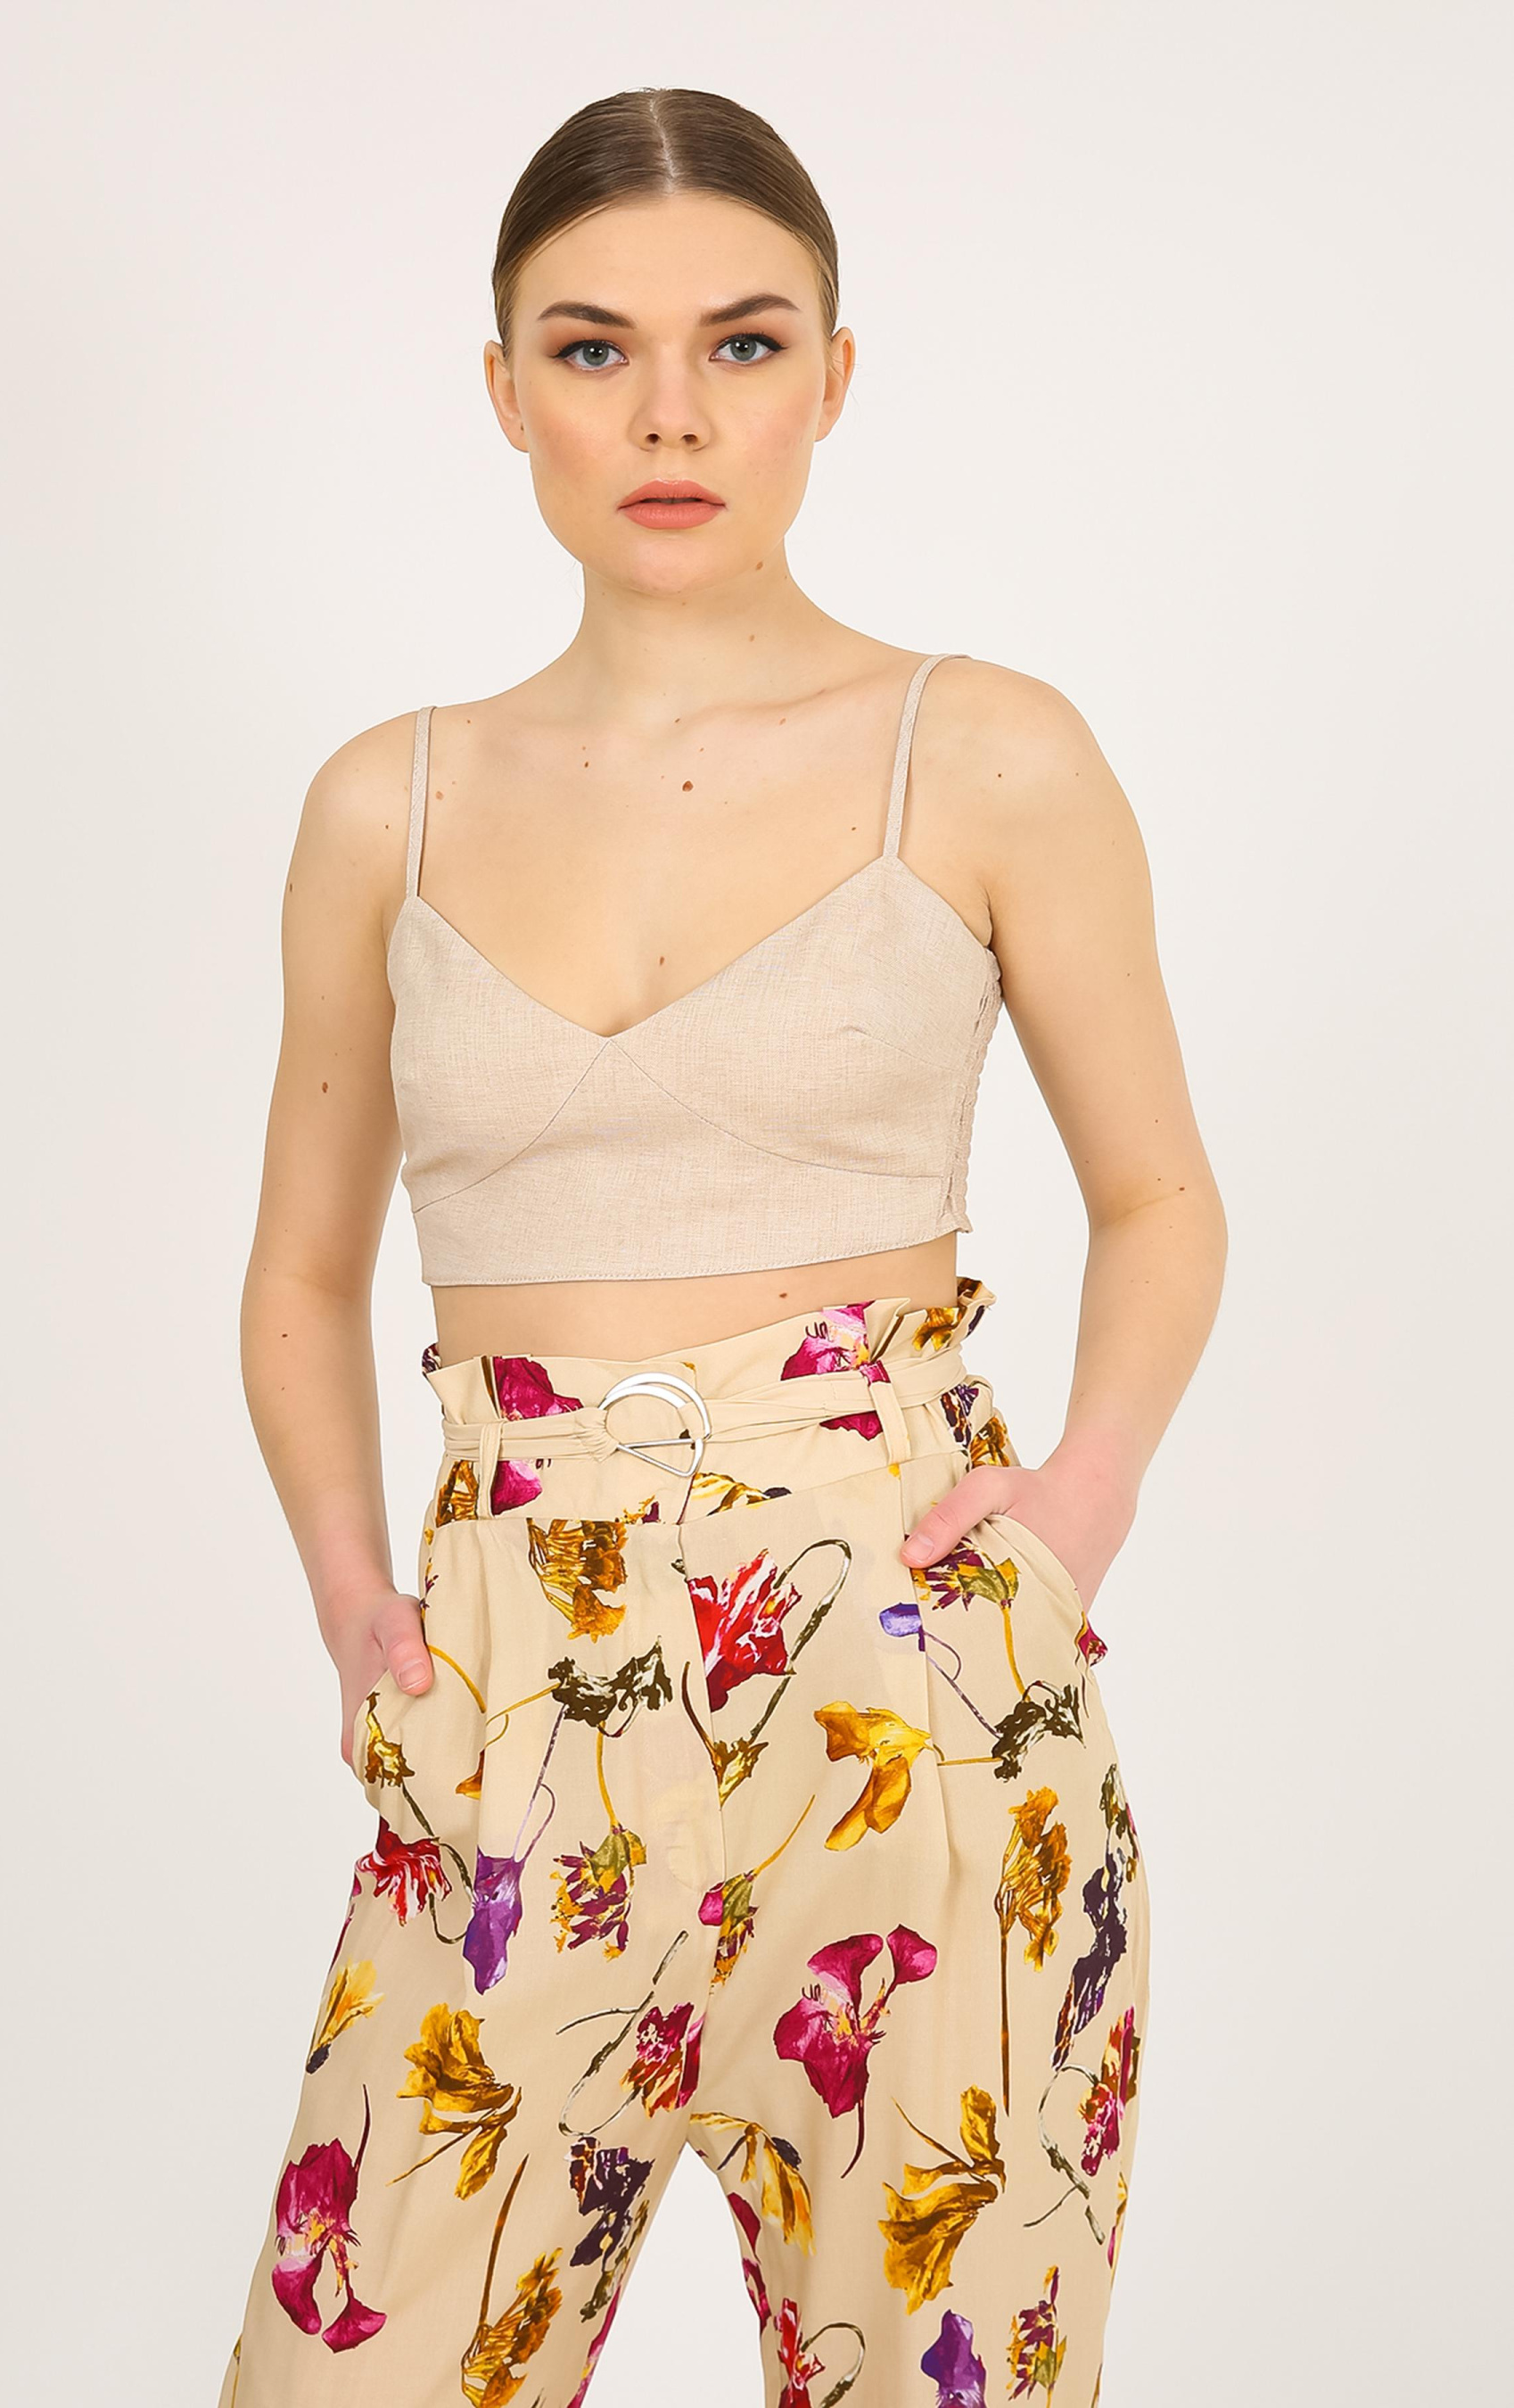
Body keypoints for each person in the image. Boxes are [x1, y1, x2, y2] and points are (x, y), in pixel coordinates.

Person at [215, 84, 1223, 2408]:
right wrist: (360, 1607)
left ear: (831, 377)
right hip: (510, 1710)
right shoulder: (388, 803)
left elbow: (1162, 1196)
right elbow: (299, 1272)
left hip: (918, 1712)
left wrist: (1070, 1514)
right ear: (504, 389)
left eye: (741, 344)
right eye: (593, 349)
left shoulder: (982, 755)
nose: (669, 415)